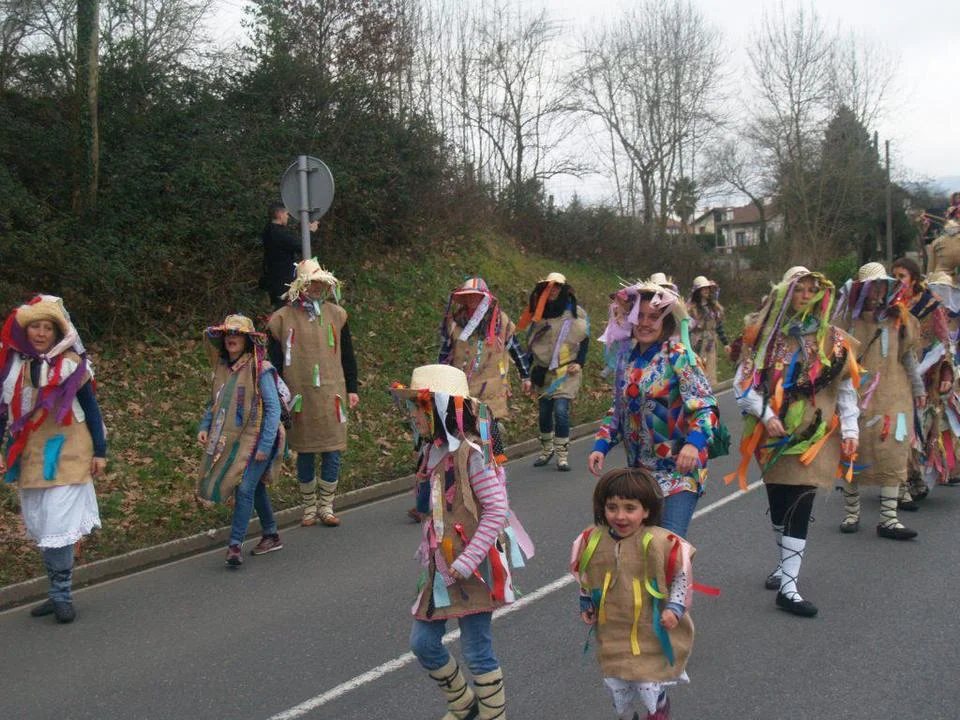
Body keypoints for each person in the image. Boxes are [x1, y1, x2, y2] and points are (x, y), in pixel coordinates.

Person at [391, 364, 533, 720]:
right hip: (441, 566)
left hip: (474, 566)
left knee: (476, 650)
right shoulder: (432, 451)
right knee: (422, 642)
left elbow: (497, 509)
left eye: (420, 407)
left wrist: (468, 560)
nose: (413, 415)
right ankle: (463, 704)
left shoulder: (472, 453)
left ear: (441, 408)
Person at [729, 267, 860, 617]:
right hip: (772, 439)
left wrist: (850, 431)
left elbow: (846, 387)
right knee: (779, 504)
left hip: (815, 438)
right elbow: (742, 383)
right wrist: (765, 415)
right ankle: (784, 564)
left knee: (801, 501)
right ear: (785, 294)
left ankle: (789, 588)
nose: (805, 296)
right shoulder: (766, 338)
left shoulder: (834, 340)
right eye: (798, 289)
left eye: (811, 290)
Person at [0, 296, 106, 623]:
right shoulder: (14, 367)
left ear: (57, 332)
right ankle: (56, 591)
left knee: (59, 524)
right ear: (27, 331)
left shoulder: (72, 364)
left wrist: (100, 451)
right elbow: (3, 412)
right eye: (36, 327)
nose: (41, 333)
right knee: (45, 526)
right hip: (32, 453)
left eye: (47, 327)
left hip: (71, 450)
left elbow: (91, 408)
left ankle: (62, 595)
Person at [588, 281, 717, 539]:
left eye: (653, 317)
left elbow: (706, 407)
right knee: (639, 546)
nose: (645, 323)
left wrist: (693, 444)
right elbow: (618, 409)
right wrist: (601, 445)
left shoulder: (679, 356)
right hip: (641, 476)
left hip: (679, 472)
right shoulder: (627, 359)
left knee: (668, 544)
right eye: (640, 316)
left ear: (665, 321)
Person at [571, 468, 696, 720]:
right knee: (618, 691)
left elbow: (681, 574)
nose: (620, 516)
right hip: (613, 630)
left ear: (646, 510)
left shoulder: (660, 541)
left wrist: (674, 608)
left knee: (648, 685)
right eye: (612, 507)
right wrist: (586, 600)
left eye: (630, 508)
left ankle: (659, 709)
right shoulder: (593, 539)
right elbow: (587, 572)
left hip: (650, 629)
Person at [406, 277, 530, 522]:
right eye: (468, 296)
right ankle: (426, 503)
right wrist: (436, 382)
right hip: (457, 391)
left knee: (490, 443)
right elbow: (445, 353)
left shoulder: (501, 323)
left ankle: (494, 496)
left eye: (477, 296)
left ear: (486, 299)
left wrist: (525, 375)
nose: (472, 300)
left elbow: (516, 349)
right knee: (441, 443)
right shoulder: (454, 323)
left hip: (490, 394)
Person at [833, 262, 924, 540]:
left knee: (894, 450)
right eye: (872, 286)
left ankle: (889, 518)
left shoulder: (898, 318)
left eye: (882, 285)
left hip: (893, 396)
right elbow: (836, 359)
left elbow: (907, 356)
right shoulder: (847, 320)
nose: (878, 291)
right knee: (852, 449)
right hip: (855, 396)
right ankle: (852, 513)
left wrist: (918, 388)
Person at [267, 259, 359, 527]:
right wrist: (276, 394)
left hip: (332, 394)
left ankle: (326, 506)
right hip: (299, 396)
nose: (316, 287)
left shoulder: (337, 315)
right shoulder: (281, 318)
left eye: (320, 283)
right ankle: (309, 507)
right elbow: (274, 361)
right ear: (300, 286)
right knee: (305, 451)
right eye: (311, 283)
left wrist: (352, 388)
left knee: (332, 449)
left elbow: (348, 354)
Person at [197, 314, 286, 567]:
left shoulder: (261, 369)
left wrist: (265, 446)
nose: (231, 338)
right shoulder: (223, 369)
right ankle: (271, 534)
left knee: (245, 488)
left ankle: (234, 546)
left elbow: (273, 410)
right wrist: (205, 426)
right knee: (255, 488)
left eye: (237, 334)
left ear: (247, 340)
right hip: (237, 440)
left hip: (262, 437)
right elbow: (215, 402)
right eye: (228, 334)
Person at [892, 257, 956, 496]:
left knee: (921, 426)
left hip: (927, 377)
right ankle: (901, 478)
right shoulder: (891, 307)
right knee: (900, 426)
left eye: (902, 276)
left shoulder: (931, 305)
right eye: (894, 276)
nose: (897, 281)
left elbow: (943, 342)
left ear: (914, 279)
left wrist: (946, 373)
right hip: (897, 375)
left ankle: (915, 474)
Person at [519, 272, 589, 471]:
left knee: (560, 410)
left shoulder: (574, 313)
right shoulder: (538, 313)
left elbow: (584, 339)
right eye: (549, 287)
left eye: (557, 287)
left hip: (566, 371)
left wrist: (579, 362)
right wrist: (526, 373)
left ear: (563, 289)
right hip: (543, 372)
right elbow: (531, 344)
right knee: (544, 413)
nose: (553, 291)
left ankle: (562, 455)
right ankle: (547, 449)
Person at [259, 202, 318, 309]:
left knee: (279, 309)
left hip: (272, 278)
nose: (288, 217)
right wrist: (310, 232)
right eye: (286, 214)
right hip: (283, 282)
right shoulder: (279, 233)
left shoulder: (268, 230)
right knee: (285, 310)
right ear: (280, 215)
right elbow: (301, 247)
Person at [686, 276, 729, 386]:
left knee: (710, 368)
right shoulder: (691, 308)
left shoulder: (713, 307)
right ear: (698, 291)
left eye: (707, 288)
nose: (706, 291)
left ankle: (711, 388)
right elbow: (687, 328)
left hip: (710, 342)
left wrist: (725, 343)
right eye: (703, 288)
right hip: (696, 341)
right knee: (698, 367)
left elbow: (718, 326)